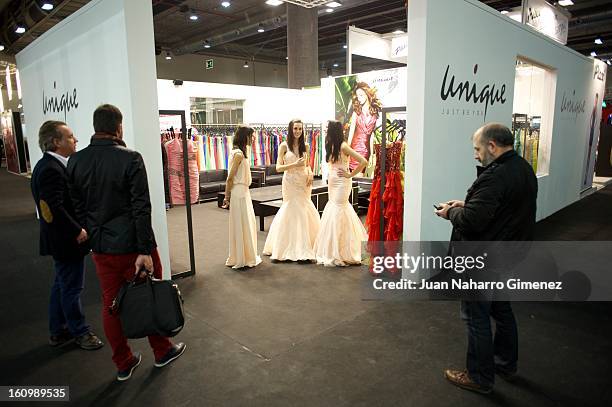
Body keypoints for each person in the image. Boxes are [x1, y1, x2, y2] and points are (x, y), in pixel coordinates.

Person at [67, 104, 185, 381]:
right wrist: (144, 250)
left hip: (102, 248)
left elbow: (77, 207)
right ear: (118, 127)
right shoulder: (131, 158)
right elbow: (141, 207)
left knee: (111, 304)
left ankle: (123, 362)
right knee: (151, 295)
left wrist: (94, 235)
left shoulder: (76, 160)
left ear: (95, 127)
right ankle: (162, 350)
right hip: (133, 247)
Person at [435, 123, 537, 394]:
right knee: (501, 310)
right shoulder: (523, 169)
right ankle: (505, 364)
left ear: (492, 146)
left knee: (475, 315)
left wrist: (451, 213)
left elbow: (471, 222)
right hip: (508, 254)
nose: (476, 155)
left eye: (477, 149)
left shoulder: (496, 176)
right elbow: (501, 210)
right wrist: (467, 204)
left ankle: (479, 377)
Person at [31, 120, 104, 351]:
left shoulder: (49, 166)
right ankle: (79, 331)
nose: (76, 140)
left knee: (61, 285)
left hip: (60, 240)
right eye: (70, 136)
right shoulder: (51, 169)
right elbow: (53, 207)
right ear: (56, 142)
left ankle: (58, 330)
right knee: (71, 287)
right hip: (66, 241)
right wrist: (77, 230)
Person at [263, 119, 321, 261]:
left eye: (300, 129)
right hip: (289, 182)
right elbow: (278, 168)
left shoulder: (305, 145)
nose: (297, 131)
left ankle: (307, 245)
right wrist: (294, 164)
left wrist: (311, 172)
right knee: (290, 209)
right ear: (291, 129)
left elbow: (307, 165)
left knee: (304, 209)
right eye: (295, 128)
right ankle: (286, 246)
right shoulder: (284, 145)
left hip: (303, 182)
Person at [314, 120, 368, 266]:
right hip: (332, 181)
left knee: (339, 209)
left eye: (328, 129)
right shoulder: (330, 145)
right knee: (333, 209)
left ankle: (343, 250)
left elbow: (363, 161)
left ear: (333, 131)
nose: (325, 132)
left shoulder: (343, 146)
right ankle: (333, 248)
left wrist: (350, 175)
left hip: (343, 182)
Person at [223, 125, 262, 269]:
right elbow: (230, 178)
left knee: (245, 224)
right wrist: (226, 197)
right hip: (239, 193)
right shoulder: (238, 154)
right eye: (251, 136)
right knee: (243, 223)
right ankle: (242, 257)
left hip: (243, 193)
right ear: (245, 136)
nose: (253, 138)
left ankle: (243, 255)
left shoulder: (238, 153)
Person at [347, 82, 381, 172]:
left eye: (361, 95)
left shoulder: (374, 113)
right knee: (356, 175)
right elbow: (351, 133)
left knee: (363, 174)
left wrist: (371, 153)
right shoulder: (356, 112)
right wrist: (347, 151)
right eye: (358, 96)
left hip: (367, 150)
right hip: (355, 148)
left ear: (367, 94)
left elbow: (372, 135)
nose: (359, 98)